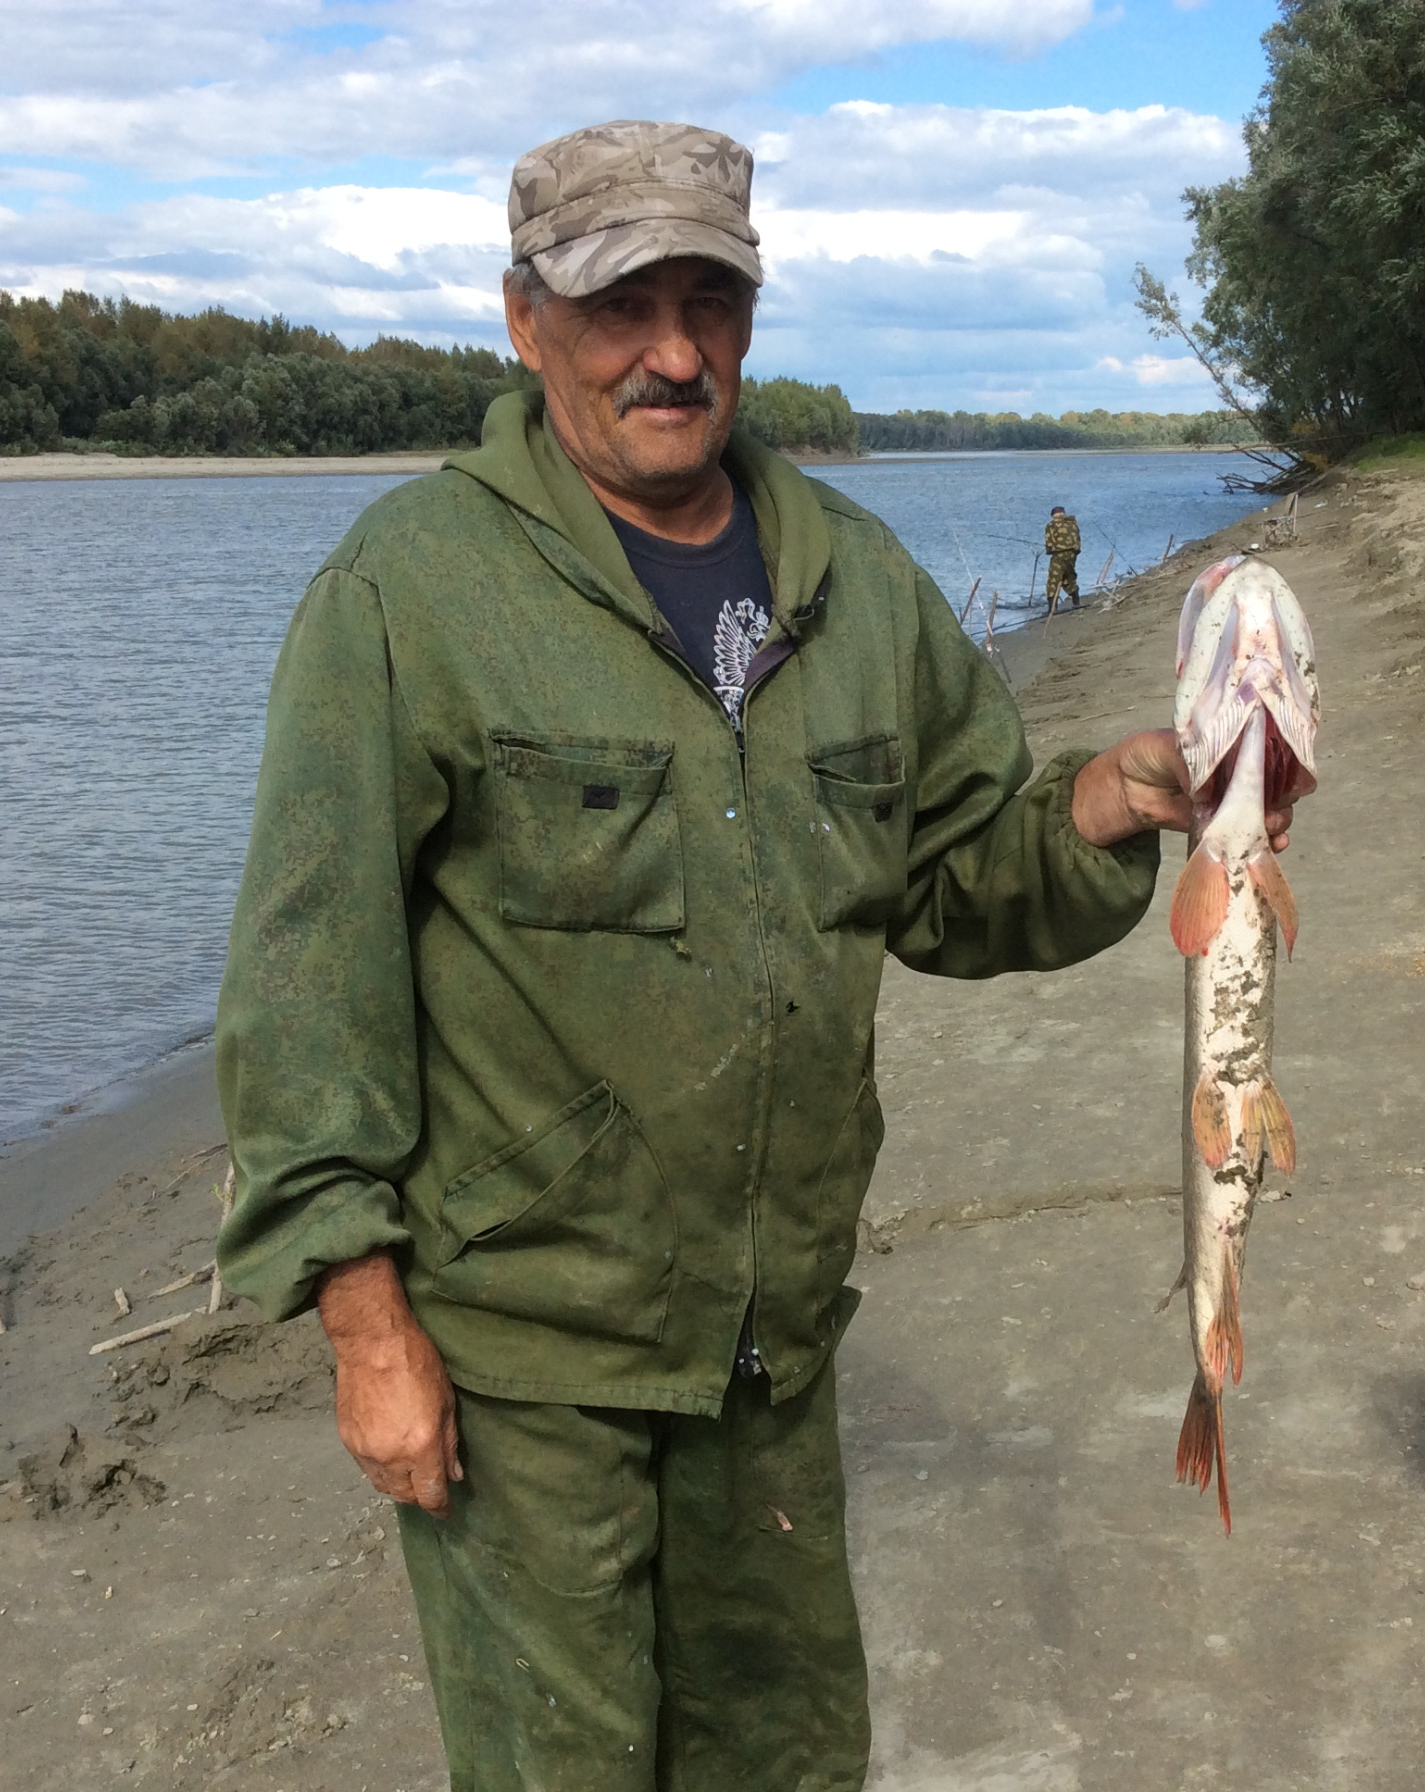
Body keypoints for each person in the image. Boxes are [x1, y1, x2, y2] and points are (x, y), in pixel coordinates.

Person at [213, 118, 1294, 1792]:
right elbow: (307, 993)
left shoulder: (853, 582)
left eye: (707, 297)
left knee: (790, 1764)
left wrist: (1098, 805)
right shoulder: (407, 593)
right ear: (522, 319)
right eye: (616, 303)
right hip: (528, 1372)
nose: (669, 350)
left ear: (750, 309)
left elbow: (952, 878)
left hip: (771, 1354)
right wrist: (369, 1333)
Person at [1043, 503, 1083, 613]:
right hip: (1072, 555)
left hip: (1059, 556)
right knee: (1069, 577)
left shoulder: (1051, 526)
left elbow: (1049, 545)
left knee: (1053, 580)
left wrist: (1050, 549)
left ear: (1053, 515)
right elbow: (1078, 541)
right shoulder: (1073, 524)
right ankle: (1076, 602)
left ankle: (1052, 608)